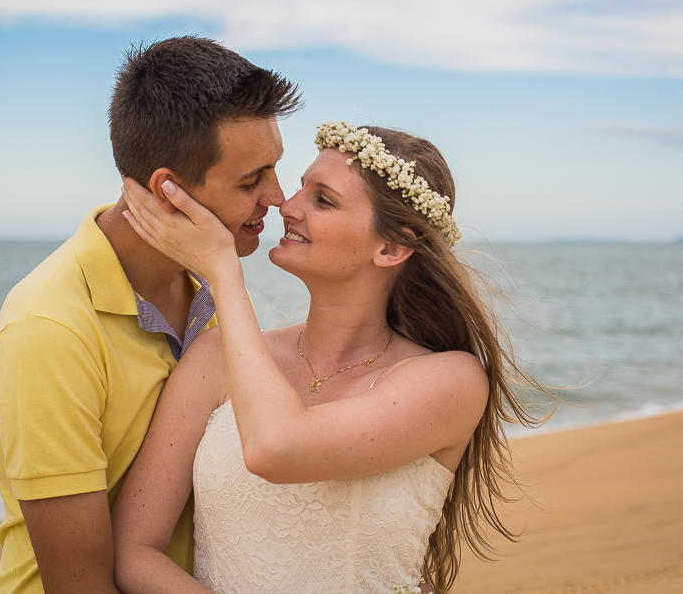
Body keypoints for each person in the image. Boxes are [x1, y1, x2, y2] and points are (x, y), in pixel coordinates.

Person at [111, 121, 548, 593]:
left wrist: (222, 271)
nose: (287, 206)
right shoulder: (214, 358)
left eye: (323, 199)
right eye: (300, 188)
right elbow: (135, 552)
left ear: (391, 246)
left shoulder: (450, 382)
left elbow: (275, 449)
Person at [0, 36, 301, 594]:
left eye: (274, 169)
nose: (277, 197)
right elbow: (81, 585)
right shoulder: (49, 333)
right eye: (251, 180)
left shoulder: (214, 284)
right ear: (169, 190)